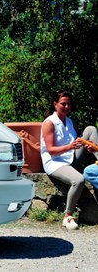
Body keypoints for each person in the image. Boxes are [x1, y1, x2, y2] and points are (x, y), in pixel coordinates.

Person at [40, 91, 98, 230]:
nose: (66, 107)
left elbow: (78, 141)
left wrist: (88, 146)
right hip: (55, 162)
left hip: (70, 157)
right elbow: (50, 150)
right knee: (78, 180)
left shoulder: (70, 121)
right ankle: (68, 216)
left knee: (90, 129)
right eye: (63, 104)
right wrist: (69, 147)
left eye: (68, 104)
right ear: (55, 104)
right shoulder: (49, 123)